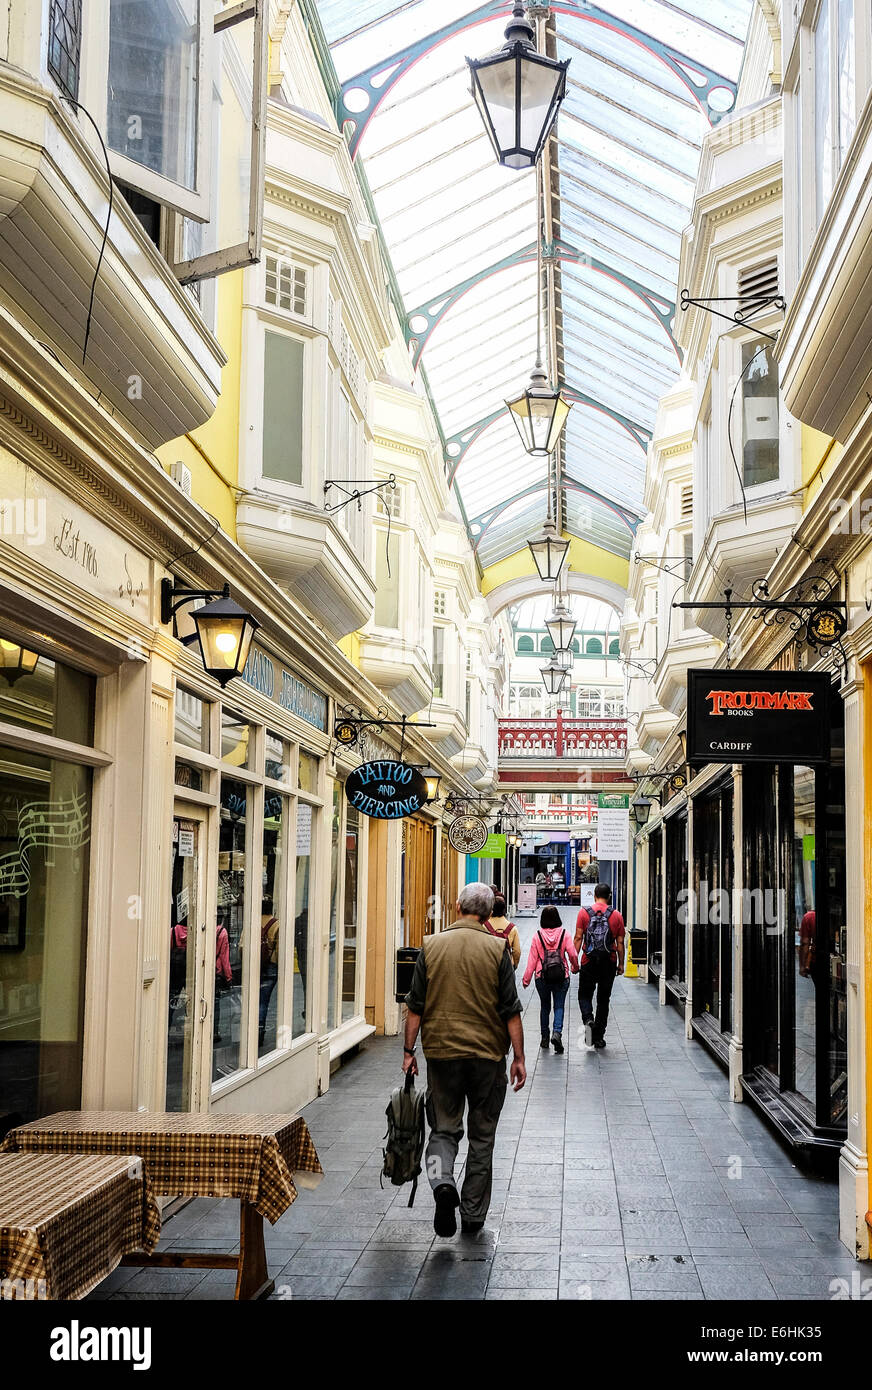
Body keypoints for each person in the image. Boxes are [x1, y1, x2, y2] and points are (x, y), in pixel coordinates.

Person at [403, 883, 526, 1237]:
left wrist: (409, 1052)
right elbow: (510, 1010)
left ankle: (443, 1182)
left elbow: (416, 1007)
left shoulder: (432, 945)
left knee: (443, 1129)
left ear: (456, 907)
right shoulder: (497, 948)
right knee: (482, 1135)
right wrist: (518, 1056)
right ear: (489, 914)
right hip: (487, 1057)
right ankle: (472, 1214)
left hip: (442, 1054)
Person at [574, 883, 625, 1050]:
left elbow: (578, 938)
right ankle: (599, 1038)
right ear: (609, 896)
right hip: (608, 962)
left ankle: (588, 1021)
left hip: (588, 962)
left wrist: (574, 961)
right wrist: (621, 963)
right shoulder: (616, 915)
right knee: (603, 1000)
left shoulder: (584, 913)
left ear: (594, 895)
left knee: (584, 996)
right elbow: (620, 942)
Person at [522, 905, 578, 1053]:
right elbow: (572, 954)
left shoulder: (537, 936)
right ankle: (557, 1033)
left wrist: (526, 979)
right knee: (559, 1006)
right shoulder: (564, 934)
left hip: (542, 977)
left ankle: (545, 1038)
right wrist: (575, 966)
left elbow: (532, 960)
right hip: (561, 976)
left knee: (545, 1006)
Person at [486, 895, 521, 969]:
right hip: (507, 966)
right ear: (504, 909)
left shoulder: (484, 926)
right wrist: (514, 964)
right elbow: (517, 951)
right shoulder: (512, 928)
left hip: (489, 965)